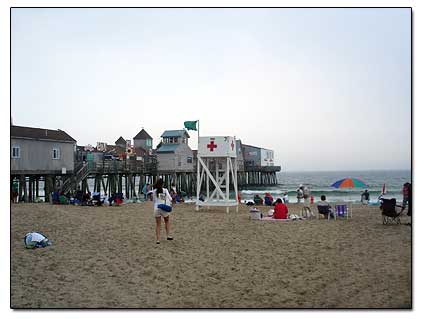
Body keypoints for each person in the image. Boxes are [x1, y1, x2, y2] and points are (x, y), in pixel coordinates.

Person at [152, 178, 173, 244]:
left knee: (158, 224)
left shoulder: (154, 191)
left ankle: (158, 239)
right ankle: (168, 235)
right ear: (162, 184)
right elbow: (170, 198)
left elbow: (154, 200)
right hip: (164, 208)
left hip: (156, 208)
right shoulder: (165, 190)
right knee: (167, 221)